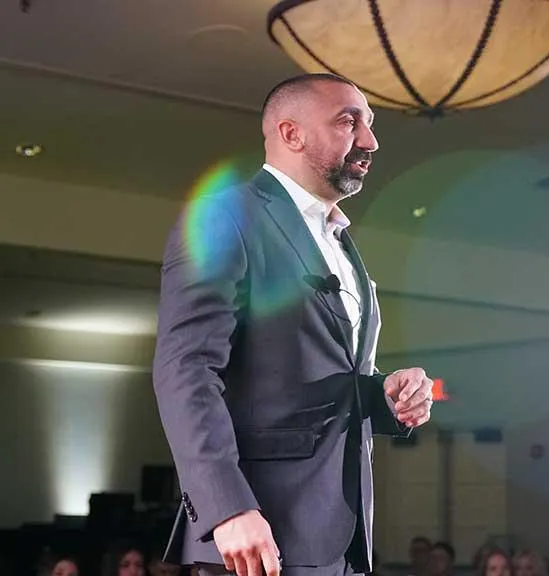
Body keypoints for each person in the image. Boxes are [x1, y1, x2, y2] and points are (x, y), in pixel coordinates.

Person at [153, 73, 435, 576]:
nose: (370, 141)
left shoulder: (340, 241)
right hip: (256, 538)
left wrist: (385, 395)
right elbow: (186, 369)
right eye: (349, 122)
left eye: (369, 124)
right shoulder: (227, 215)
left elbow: (310, 375)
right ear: (291, 133)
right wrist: (227, 508)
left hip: (343, 541)